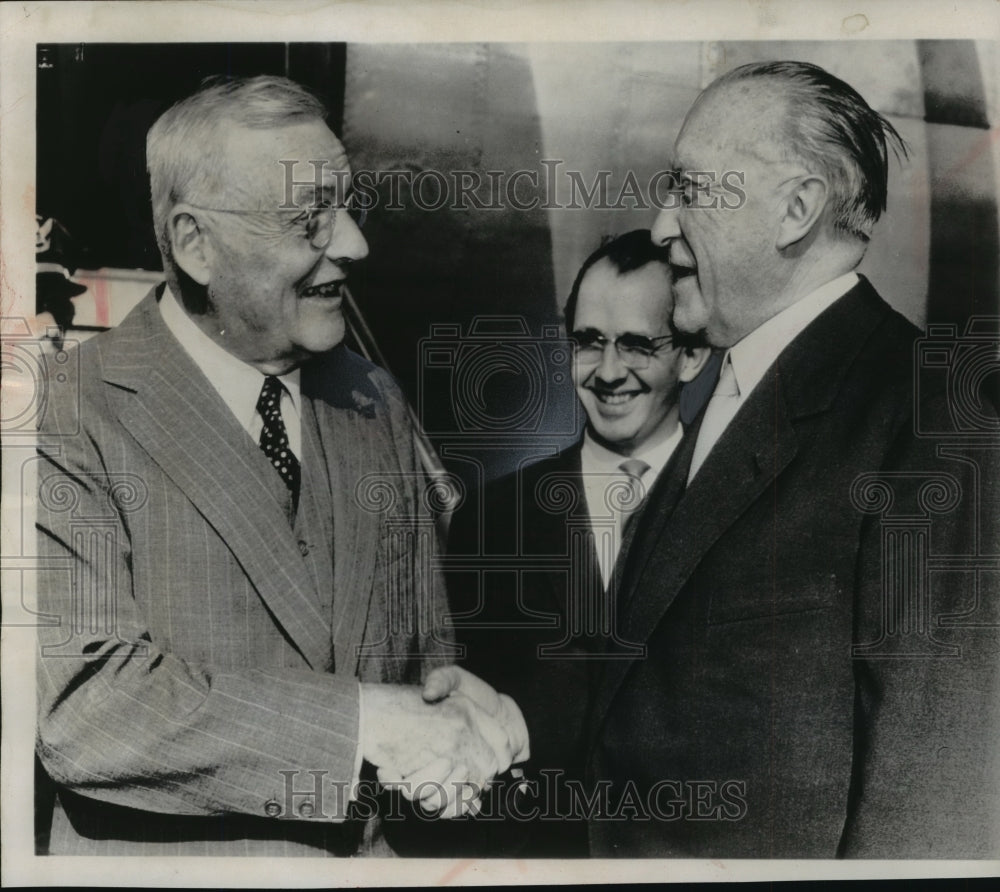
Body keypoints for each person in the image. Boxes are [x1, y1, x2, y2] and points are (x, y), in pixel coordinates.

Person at [34, 75, 526, 857]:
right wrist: (367, 723)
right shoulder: (66, 414)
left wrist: (456, 714)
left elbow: (427, 652)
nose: (355, 243)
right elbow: (86, 709)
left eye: (348, 206)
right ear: (197, 244)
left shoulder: (372, 398)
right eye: (310, 221)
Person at [578, 61, 999, 856]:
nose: (663, 227)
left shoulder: (938, 419)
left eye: (691, 190)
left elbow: (934, 792)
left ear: (796, 209)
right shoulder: (732, 390)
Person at [445, 230, 711, 855]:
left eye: (639, 345)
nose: (609, 372)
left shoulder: (742, 506)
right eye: (589, 342)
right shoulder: (494, 518)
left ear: (693, 355)